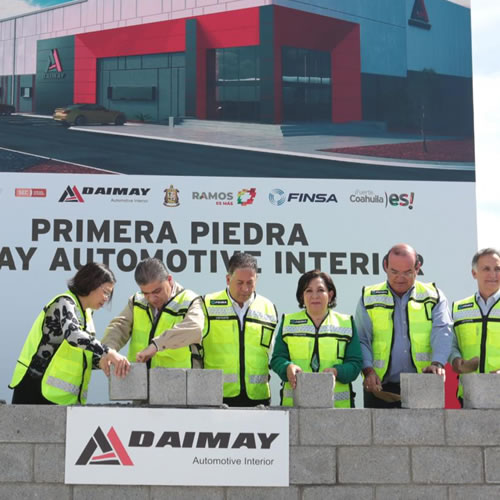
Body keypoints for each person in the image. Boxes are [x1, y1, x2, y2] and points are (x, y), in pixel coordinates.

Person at [10, 262, 129, 405]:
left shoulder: (87, 314)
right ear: (90, 284)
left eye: (109, 294)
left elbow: (79, 355)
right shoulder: (64, 303)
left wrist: (102, 361)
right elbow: (73, 335)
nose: (106, 298)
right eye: (105, 292)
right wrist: (108, 352)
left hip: (60, 399)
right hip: (35, 391)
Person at [356, 243, 452, 408]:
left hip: (423, 384)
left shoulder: (434, 295)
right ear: (385, 266)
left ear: (417, 268)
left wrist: (437, 363)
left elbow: (443, 331)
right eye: (394, 271)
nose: (400, 277)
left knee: (427, 433)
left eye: (407, 272)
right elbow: (362, 339)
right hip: (380, 388)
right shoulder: (369, 296)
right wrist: (368, 371)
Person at [271, 270, 362, 408]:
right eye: (308, 291)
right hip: (294, 407)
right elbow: (277, 359)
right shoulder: (288, 322)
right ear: (302, 296)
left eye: (320, 290)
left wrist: (337, 372)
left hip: (338, 410)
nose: (315, 296)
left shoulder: (346, 322)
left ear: (330, 295)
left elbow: (355, 364)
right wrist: (287, 367)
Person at [202, 252, 278, 407]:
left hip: (259, 397)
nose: (245, 289)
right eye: (239, 282)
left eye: (250, 283)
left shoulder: (269, 307)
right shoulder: (207, 304)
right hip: (217, 396)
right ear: (228, 279)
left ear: (256, 280)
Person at [103, 258, 203, 368]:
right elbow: (119, 327)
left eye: (157, 291)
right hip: (139, 379)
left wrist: (156, 345)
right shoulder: (137, 300)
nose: (152, 299)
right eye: (145, 293)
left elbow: (195, 329)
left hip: (179, 380)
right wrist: (108, 351)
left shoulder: (190, 300)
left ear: (169, 279)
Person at [450, 248, 500, 404]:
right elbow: (452, 344)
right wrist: (455, 359)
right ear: (474, 273)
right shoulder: (458, 308)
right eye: (486, 269)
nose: (493, 274)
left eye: (497, 269)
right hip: (470, 394)